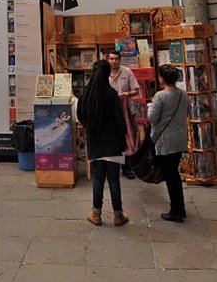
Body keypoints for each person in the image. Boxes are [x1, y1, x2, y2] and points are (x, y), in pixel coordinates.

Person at [77, 59, 129, 227]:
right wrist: (123, 137)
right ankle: (118, 215)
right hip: (113, 142)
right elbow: (120, 120)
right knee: (114, 179)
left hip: (95, 141)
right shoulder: (111, 93)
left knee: (98, 178)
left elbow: (80, 115)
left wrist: (90, 127)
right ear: (108, 73)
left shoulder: (86, 93)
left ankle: (96, 213)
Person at [148, 64, 189, 222]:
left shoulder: (160, 96)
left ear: (162, 78)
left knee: (171, 175)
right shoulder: (182, 94)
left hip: (165, 140)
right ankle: (180, 207)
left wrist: (150, 106)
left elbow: (152, 118)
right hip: (179, 137)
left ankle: (176, 211)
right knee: (174, 174)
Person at [106, 50, 140, 179]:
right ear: (108, 60)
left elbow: (136, 90)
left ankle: (127, 167)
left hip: (126, 110)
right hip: (110, 112)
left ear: (120, 60)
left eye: (116, 59)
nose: (114, 61)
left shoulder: (127, 72)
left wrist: (127, 94)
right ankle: (113, 167)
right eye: (111, 59)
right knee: (113, 138)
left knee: (128, 137)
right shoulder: (104, 73)